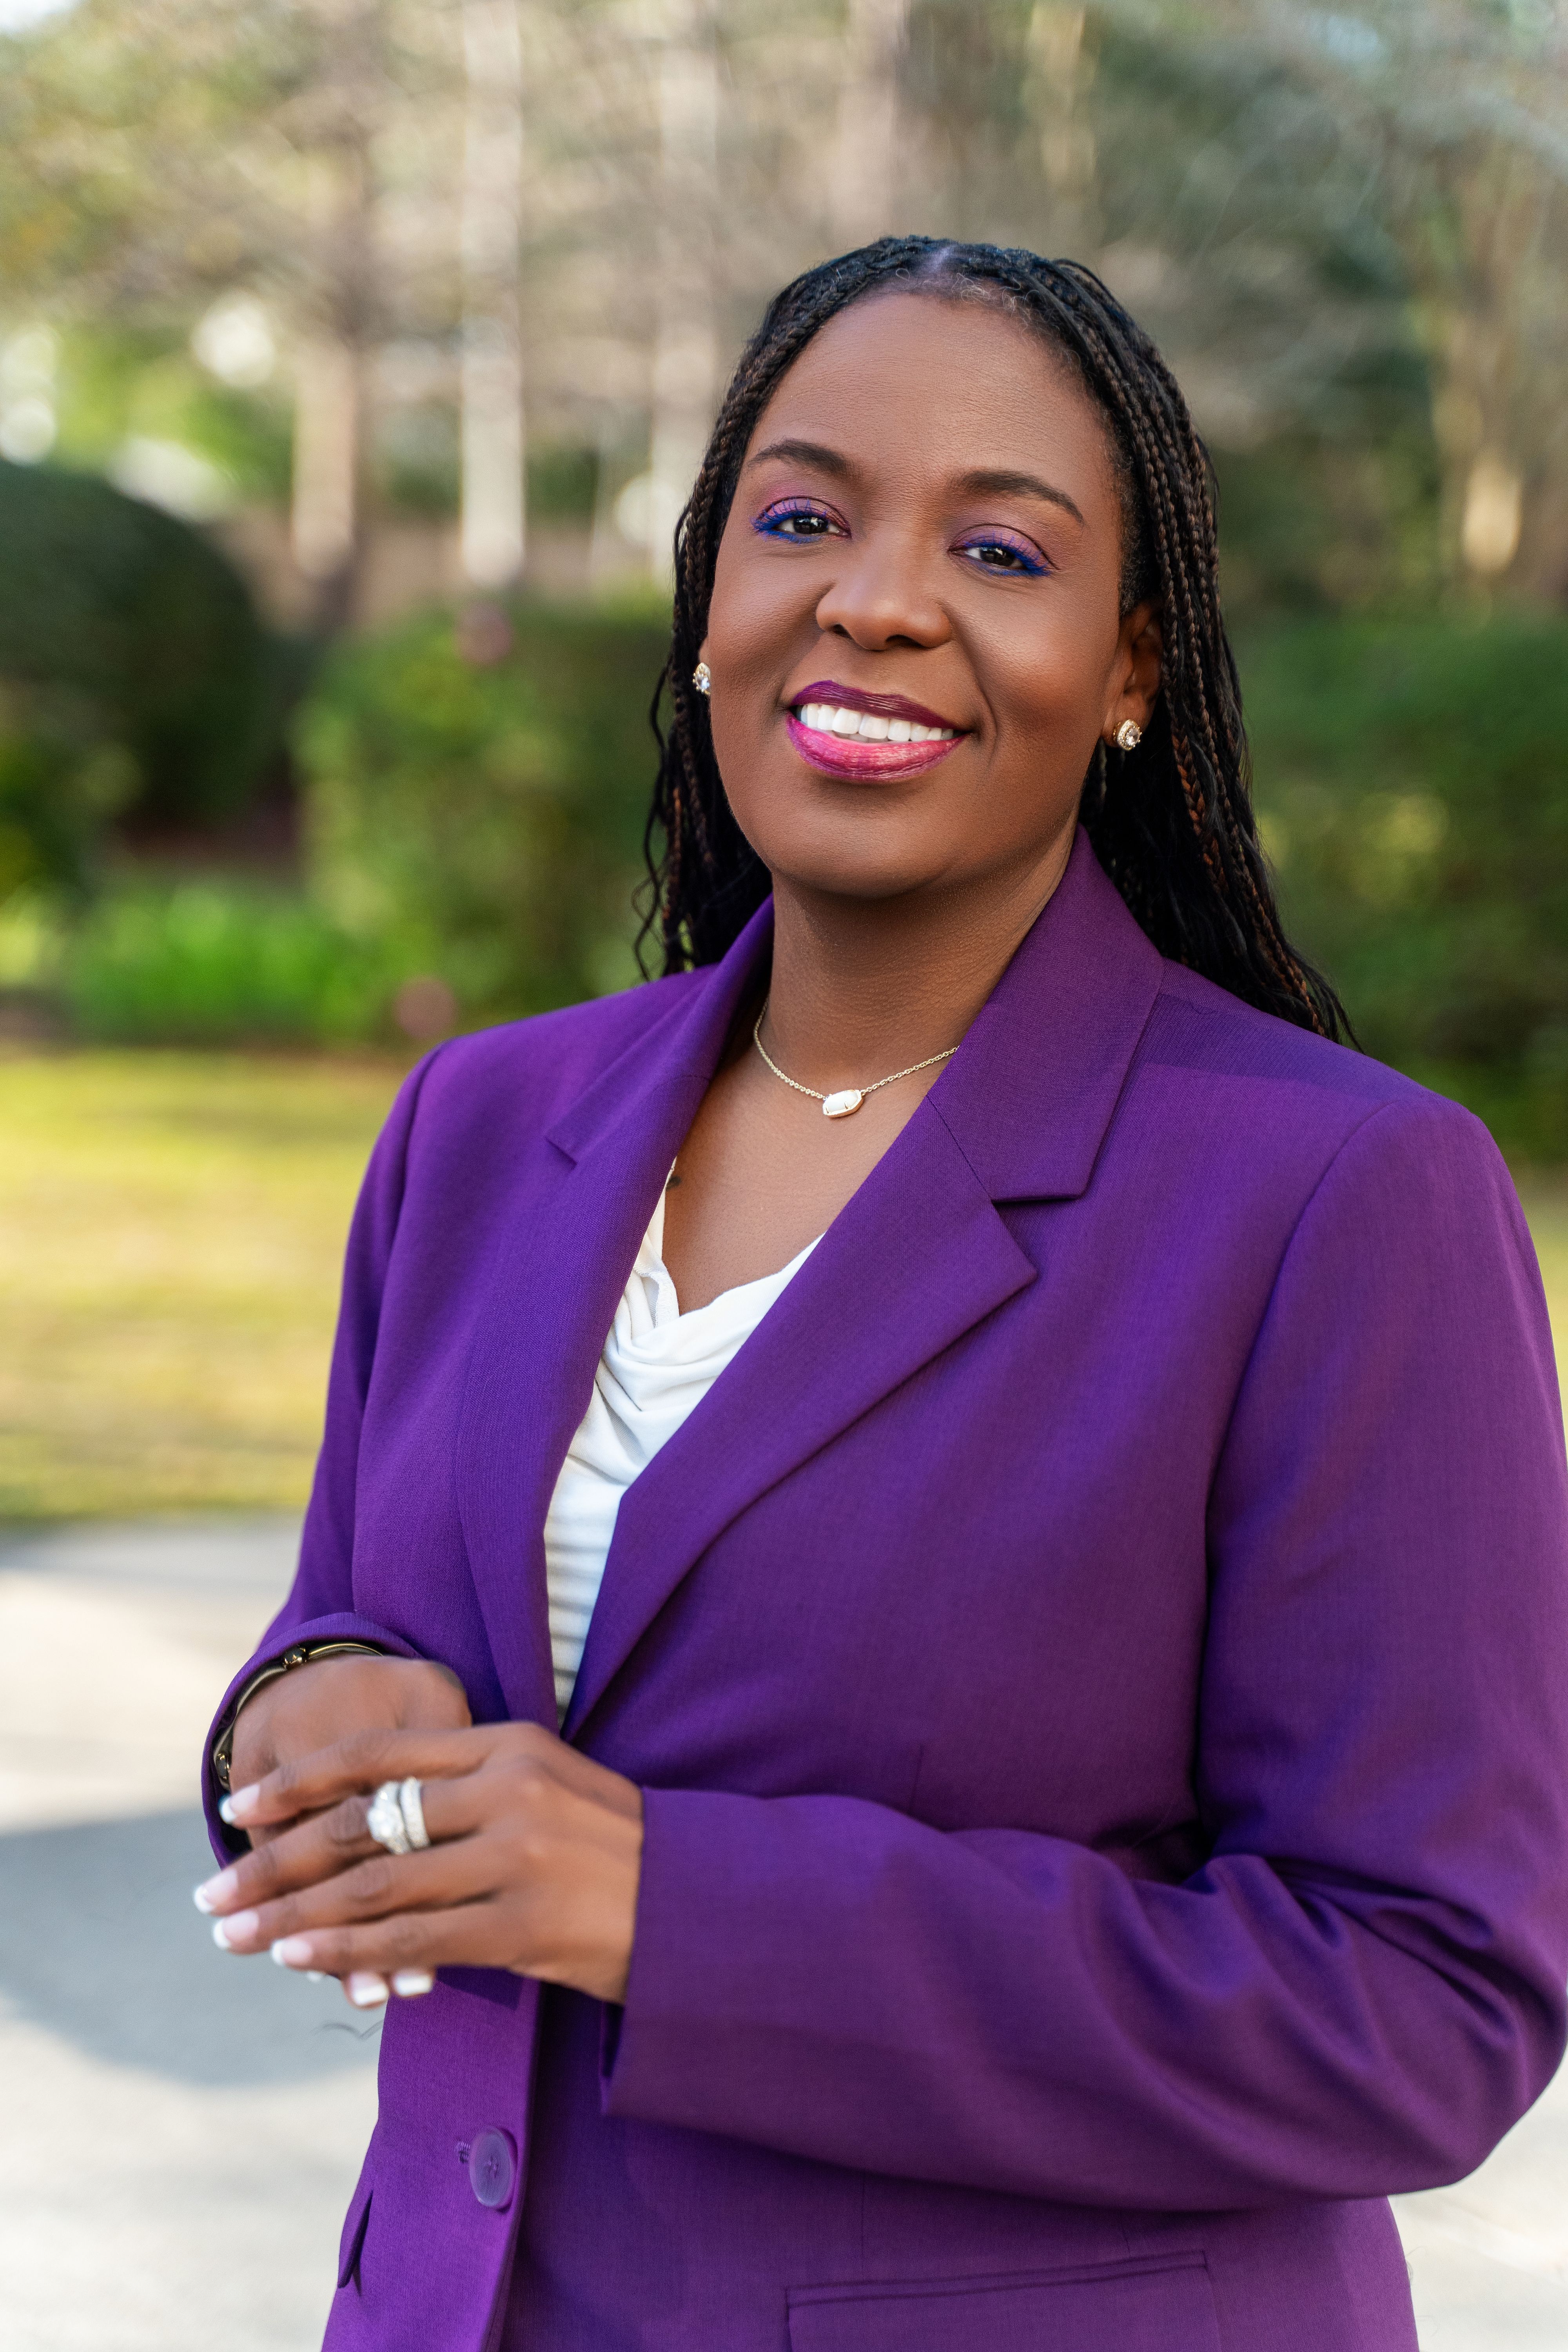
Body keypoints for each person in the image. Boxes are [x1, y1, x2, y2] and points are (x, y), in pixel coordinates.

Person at [194, 238, 1568, 2352]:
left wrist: (666, 1901)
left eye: (1000, 550)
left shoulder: (1335, 1197)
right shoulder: (483, 1125)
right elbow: (349, 1623)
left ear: (1130, 669)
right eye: (802, 519)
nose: (878, 599)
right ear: (710, 604)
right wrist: (309, 1713)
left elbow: (1420, 2004)